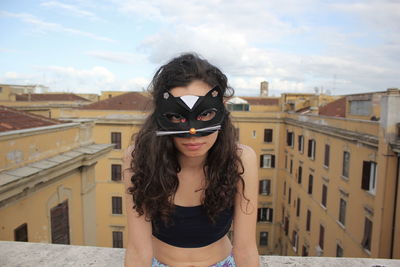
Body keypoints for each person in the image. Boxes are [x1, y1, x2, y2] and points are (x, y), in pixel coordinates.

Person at [123, 53, 259, 267]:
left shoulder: (241, 160)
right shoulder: (139, 158)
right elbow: (138, 249)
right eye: (177, 117)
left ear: (222, 110)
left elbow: (246, 248)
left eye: (205, 114)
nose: (193, 133)